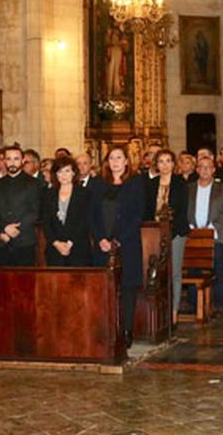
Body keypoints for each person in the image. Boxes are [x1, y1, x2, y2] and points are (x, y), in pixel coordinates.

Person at [90, 146, 146, 348]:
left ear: (126, 161)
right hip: (102, 245)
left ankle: (127, 331)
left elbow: (137, 215)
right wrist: (101, 238)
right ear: (107, 162)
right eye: (111, 158)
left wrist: (118, 239)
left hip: (127, 244)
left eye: (119, 158)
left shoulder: (135, 183)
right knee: (106, 289)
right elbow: (93, 215)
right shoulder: (98, 184)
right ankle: (107, 330)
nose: (115, 161)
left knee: (127, 289)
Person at [187, 157, 223, 310]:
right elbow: (185, 209)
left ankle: (220, 302)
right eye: (201, 167)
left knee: (218, 267)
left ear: (214, 170)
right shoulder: (189, 188)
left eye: (208, 167)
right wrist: (192, 225)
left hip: (215, 234)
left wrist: (212, 226)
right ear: (197, 169)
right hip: (194, 235)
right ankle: (195, 302)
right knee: (194, 268)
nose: (205, 170)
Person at [146, 149, 189, 317]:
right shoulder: (151, 184)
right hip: (155, 234)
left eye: (168, 161)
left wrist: (169, 232)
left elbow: (182, 210)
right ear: (156, 164)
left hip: (176, 232)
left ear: (173, 163)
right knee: (156, 273)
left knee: (175, 272)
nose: (165, 165)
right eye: (161, 161)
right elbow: (148, 210)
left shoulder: (180, 183)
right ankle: (158, 311)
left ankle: (174, 310)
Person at [0, 145, 42, 266]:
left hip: (24, 240)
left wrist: (14, 230)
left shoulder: (34, 183)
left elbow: (35, 212)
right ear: (4, 161)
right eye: (9, 159)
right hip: (2, 240)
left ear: (23, 161)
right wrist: (4, 228)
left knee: (25, 282)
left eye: (16, 159)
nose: (12, 163)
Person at [41, 156, 92, 267]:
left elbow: (84, 222)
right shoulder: (49, 194)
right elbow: (46, 222)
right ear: (55, 174)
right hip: (55, 249)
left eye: (67, 171)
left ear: (74, 173)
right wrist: (56, 243)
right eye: (60, 171)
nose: (63, 175)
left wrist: (69, 243)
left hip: (78, 248)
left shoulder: (84, 194)